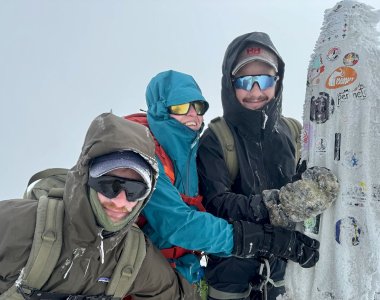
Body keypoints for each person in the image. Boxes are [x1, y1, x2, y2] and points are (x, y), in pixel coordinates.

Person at [125, 70, 320, 293]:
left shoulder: (192, 151)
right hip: (141, 278)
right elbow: (177, 224)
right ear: (159, 110)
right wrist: (263, 240)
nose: (193, 115)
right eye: (180, 107)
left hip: (182, 275)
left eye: (198, 107)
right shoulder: (142, 155)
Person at [0, 113, 197, 300]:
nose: (121, 202)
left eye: (135, 190)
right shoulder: (16, 226)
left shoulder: (133, 255)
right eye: (109, 185)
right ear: (86, 177)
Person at [197, 32, 323, 299]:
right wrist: (275, 206)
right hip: (231, 282)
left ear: (278, 82)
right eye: (245, 80)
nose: (255, 91)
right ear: (230, 84)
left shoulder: (292, 131)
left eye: (265, 79)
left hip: (288, 275)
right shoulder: (216, 138)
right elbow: (215, 204)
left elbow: (308, 188)